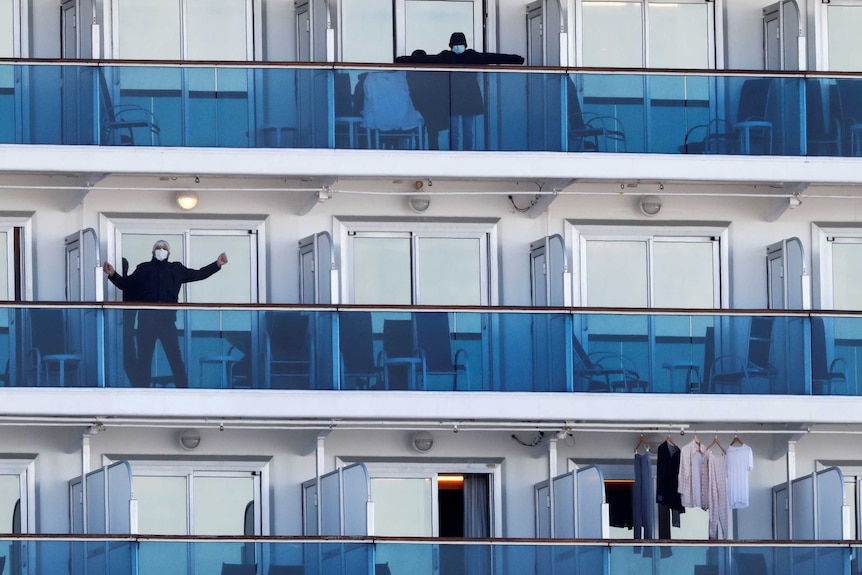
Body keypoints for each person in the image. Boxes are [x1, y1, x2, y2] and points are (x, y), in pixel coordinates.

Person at [103, 240, 228, 387]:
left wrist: (217, 264)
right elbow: (127, 285)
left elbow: (199, 274)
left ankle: (183, 391)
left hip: (167, 322)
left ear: (169, 253)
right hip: (146, 323)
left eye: (164, 248)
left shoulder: (176, 269)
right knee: (144, 359)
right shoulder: (143, 269)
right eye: (158, 248)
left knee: (175, 358)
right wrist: (112, 274)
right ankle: (142, 393)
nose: (161, 250)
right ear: (152, 252)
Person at [397, 33, 524, 150]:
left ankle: (466, 153)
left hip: (465, 99)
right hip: (456, 99)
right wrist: (402, 60)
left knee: (466, 130)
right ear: (451, 46)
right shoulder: (449, 57)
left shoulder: (469, 56)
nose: (457, 47)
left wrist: (516, 59)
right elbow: (426, 60)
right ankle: (455, 153)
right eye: (455, 45)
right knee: (456, 131)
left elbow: (493, 57)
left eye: (459, 44)